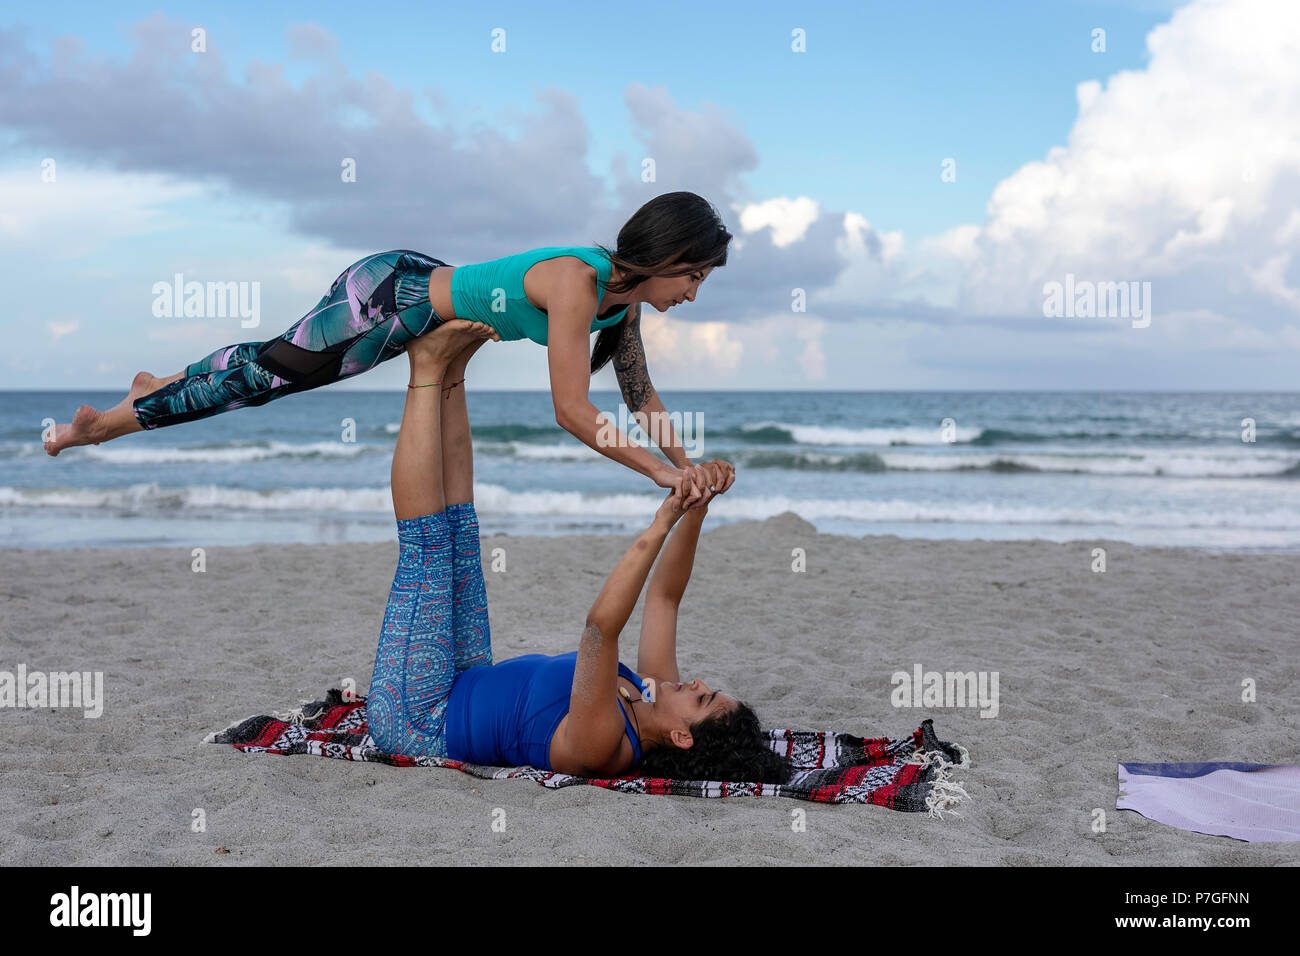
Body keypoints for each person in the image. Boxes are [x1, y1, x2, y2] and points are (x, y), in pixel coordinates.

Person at [44, 191, 734, 509]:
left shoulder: (621, 302)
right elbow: (571, 410)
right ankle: (104, 425)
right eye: (694, 276)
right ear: (667, 255)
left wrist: (685, 462)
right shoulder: (579, 280)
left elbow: (640, 396)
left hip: (406, 303)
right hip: (387, 298)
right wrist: (657, 475)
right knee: (262, 379)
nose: (694, 293)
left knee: (266, 367)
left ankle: (153, 383)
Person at [368, 317, 789, 783]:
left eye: (702, 699)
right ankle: (452, 371)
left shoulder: (604, 746)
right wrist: (696, 510)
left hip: (423, 717)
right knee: (462, 534)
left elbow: (600, 630)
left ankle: (425, 364)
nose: (698, 683)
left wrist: (662, 520)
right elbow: (664, 598)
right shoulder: (648, 693)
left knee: (429, 548)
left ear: (681, 737)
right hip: (466, 675)